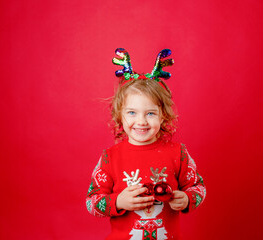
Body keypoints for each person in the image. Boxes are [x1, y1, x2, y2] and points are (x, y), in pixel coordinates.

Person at [86, 48, 206, 240]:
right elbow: (92, 202)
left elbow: (198, 187)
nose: (141, 121)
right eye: (132, 113)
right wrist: (118, 202)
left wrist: (187, 199)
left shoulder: (178, 153)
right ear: (120, 116)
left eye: (150, 113)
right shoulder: (110, 157)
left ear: (163, 116)